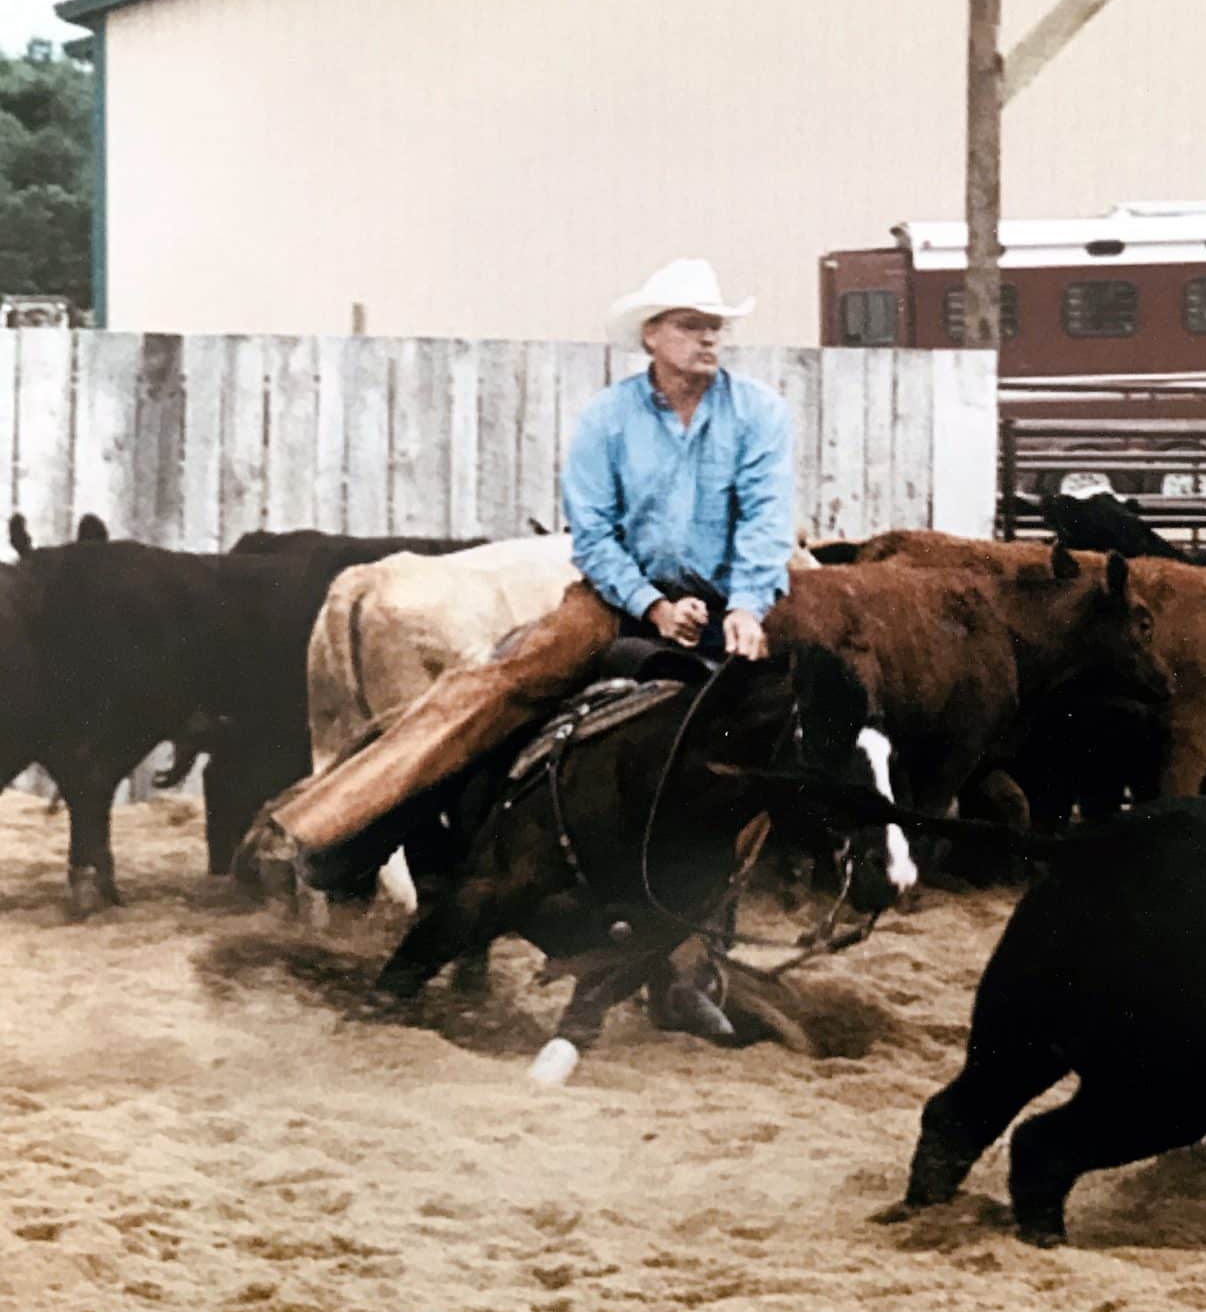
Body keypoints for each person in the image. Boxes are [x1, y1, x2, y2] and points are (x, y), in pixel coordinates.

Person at [239, 256, 796, 883]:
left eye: (716, 326)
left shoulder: (759, 415)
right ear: (652, 335)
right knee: (505, 682)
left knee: (807, 698)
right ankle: (332, 826)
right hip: (620, 599)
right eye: (692, 325)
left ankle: (825, 864)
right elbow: (593, 533)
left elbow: (765, 521)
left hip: (731, 600)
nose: (709, 338)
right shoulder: (609, 418)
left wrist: (747, 604)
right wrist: (653, 606)